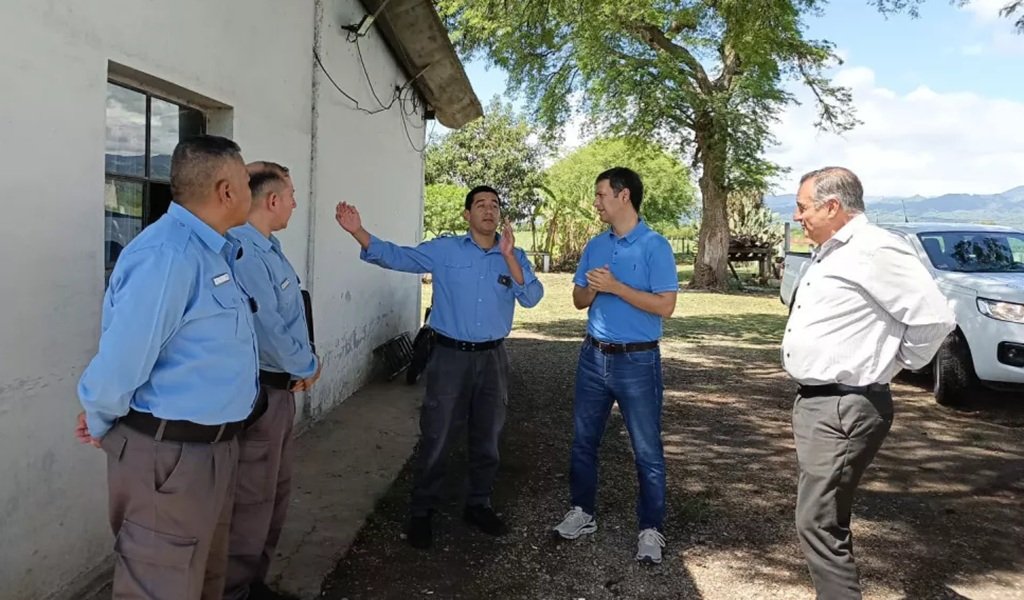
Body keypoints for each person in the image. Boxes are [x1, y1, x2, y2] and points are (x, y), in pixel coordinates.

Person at [74, 135, 260, 599]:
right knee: (162, 586)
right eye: (245, 181)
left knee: (203, 582)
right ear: (225, 191)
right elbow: (122, 362)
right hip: (169, 459)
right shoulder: (168, 256)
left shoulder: (212, 249)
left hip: (212, 451)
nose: (251, 192)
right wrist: (98, 419)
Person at [334, 185, 544, 549]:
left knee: (488, 436)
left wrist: (509, 257)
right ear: (467, 215)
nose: (488, 210)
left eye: (495, 204)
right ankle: (422, 511)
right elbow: (398, 257)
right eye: (480, 204)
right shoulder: (445, 250)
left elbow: (532, 297)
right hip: (450, 357)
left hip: (493, 358)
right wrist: (358, 231)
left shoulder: (515, 255)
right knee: (437, 434)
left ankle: (479, 504)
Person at [782, 166, 955, 599]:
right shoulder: (833, 249)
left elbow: (934, 318)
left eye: (803, 207)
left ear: (833, 206)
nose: (797, 216)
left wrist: (893, 364)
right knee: (825, 518)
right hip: (823, 404)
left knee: (817, 522)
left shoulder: (875, 249)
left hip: (844, 406)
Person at [552, 167, 678, 565]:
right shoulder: (596, 244)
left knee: (646, 450)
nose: (596, 202)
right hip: (593, 356)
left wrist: (617, 287)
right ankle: (582, 513)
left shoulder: (655, 246)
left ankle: (650, 529)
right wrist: (591, 286)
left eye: (601, 195)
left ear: (623, 196)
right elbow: (578, 300)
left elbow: (666, 306)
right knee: (583, 441)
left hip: (638, 360)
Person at [224, 161, 320, 600]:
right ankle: (234, 589)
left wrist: (303, 365)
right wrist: (307, 365)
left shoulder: (270, 247)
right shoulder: (243, 251)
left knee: (275, 495)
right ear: (273, 200)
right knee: (252, 499)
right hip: (262, 392)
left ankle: (253, 582)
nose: (296, 202)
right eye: (292, 194)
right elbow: (268, 331)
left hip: (282, 390)